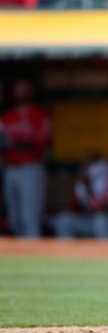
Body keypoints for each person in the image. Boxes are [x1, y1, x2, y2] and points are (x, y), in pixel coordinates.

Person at [0, 78, 51, 237]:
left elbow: (41, 143)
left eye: (24, 88)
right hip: (10, 169)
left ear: (31, 90)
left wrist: (13, 142)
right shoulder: (7, 117)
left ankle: (35, 258)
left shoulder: (39, 114)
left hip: (31, 168)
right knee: (14, 220)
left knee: (30, 220)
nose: (20, 91)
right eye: (18, 88)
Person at [54, 153, 108, 239]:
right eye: (86, 164)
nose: (88, 167)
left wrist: (90, 195)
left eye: (90, 163)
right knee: (63, 220)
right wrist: (85, 188)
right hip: (89, 220)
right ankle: (67, 251)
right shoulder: (83, 182)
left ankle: (106, 251)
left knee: (100, 219)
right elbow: (74, 209)